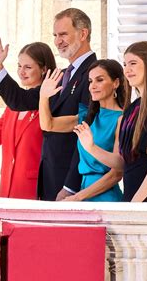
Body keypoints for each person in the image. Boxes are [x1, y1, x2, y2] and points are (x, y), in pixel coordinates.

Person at [0, 8, 121, 201]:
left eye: (63, 34)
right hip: (49, 178)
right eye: (55, 35)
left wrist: (70, 186)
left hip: (72, 184)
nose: (57, 41)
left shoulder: (93, 75)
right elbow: (20, 101)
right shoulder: (62, 75)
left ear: (83, 34)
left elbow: (85, 133)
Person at [74, 41, 147, 202]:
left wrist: (135, 203)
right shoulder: (131, 109)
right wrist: (91, 147)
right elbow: (121, 163)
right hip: (131, 197)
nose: (127, 70)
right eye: (125, 64)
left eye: (133, 63)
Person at [0, 42, 57, 199]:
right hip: (7, 190)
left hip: (36, 191)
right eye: (19, 66)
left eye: (28, 67)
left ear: (43, 69)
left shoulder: (50, 104)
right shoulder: (11, 110)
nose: (21, 72)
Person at [39, 59, 124, 201]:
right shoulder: (86, 117)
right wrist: (43, 97)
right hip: (82, 193)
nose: (93, 86)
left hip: (105, 198)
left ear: (115, 83)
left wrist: (77, 197)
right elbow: (48, 125)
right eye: (90, 81)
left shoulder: (121, 119)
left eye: (100, 80)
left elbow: (117, 173)